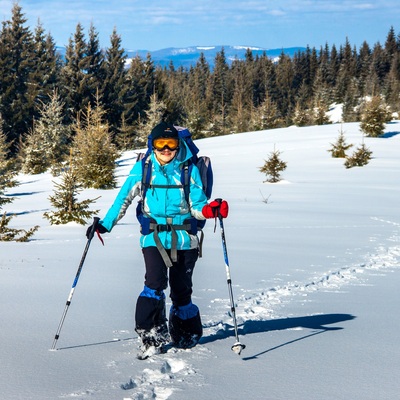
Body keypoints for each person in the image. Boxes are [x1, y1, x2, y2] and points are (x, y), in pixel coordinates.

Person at [86, 121, 228, 359]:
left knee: (182, 291)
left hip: (185, 238)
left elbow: (197, 205)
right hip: (153, 236)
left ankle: (186, 335)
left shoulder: (188, 169)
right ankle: (151, 336)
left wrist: (211, 211)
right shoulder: (144, 168)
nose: (166, 149)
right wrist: (105, 225)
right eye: (160, 144)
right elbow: (123, 199)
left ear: (178, 144)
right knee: (154, 283)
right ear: (152, 145)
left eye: (170, 144)